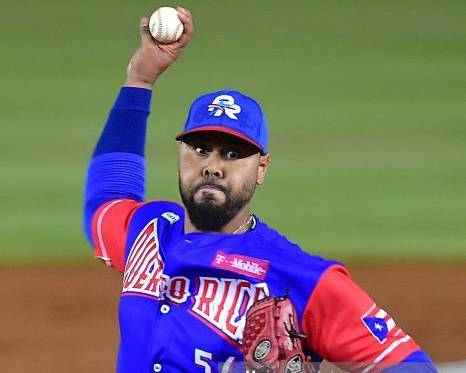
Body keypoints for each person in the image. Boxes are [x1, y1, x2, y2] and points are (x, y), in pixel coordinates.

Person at [83, 8, 437, 373]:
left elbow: (413, 367)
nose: (213, 165)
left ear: (261, 168)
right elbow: (105, 200)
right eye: (201, 149)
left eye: (233, 154)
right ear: (181, 155)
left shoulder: (299, 276)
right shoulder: (147, 229)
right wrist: (140, 79)